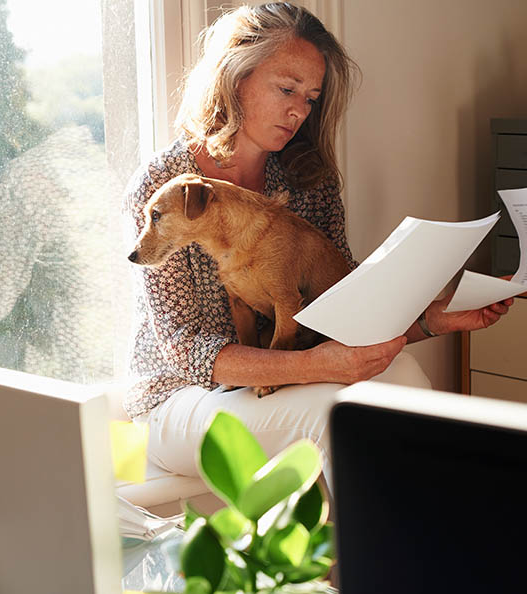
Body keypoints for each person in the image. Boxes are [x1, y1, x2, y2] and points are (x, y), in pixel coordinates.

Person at [120, 3, 513, 485]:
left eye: (310, 98)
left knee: (406, 381)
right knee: (336, 416)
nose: (299, 111)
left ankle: (402, 557)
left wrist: (432, 320)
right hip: (182, 398)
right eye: (286, 89)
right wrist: (306, 365)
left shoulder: (308, 181)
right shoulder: (165, 187)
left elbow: (343, 312)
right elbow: (185, 349)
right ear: (235, 77)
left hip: (284, 378)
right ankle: (382, 560)